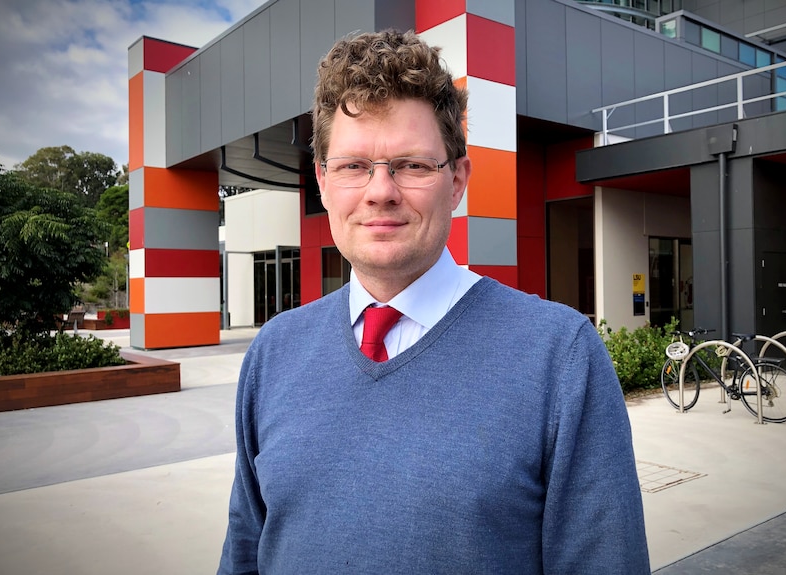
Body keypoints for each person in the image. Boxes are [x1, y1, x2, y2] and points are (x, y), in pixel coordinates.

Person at [218, 29, 649, 574]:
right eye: (354, 166)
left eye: (413, 165)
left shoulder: (559, 358)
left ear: (458, 180)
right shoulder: (274, 352)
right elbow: (243, 555)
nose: (381, 191)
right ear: (323, 183)